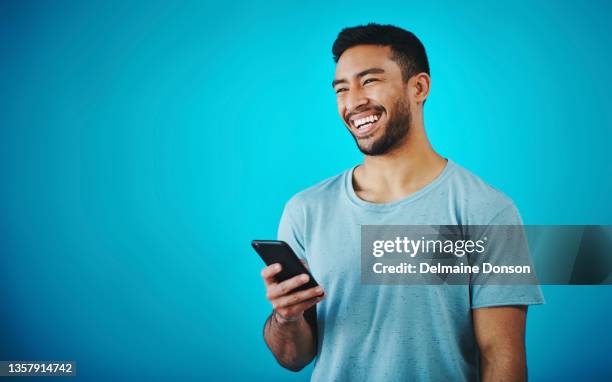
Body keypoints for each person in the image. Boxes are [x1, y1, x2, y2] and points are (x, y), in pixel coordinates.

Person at [260, 23, 544, 381]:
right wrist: (286, 317)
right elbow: (293, 357)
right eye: (342, 89)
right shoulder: (305, 211)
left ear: (419, 87)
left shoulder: (487, 210)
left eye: (370, 81)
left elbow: (502, 357)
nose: (353, 101)